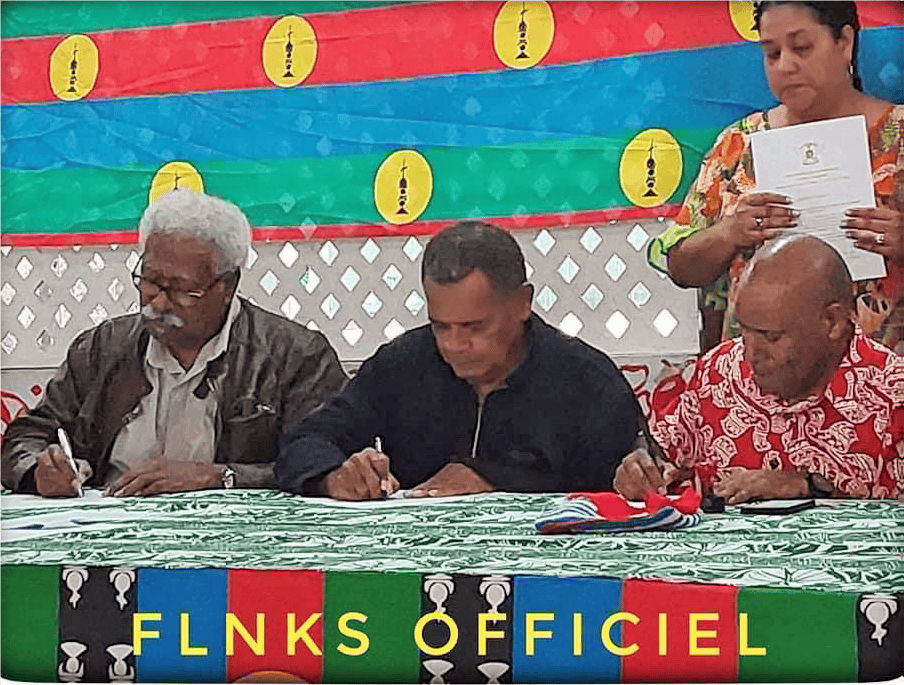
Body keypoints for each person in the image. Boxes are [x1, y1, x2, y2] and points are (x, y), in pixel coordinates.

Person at [0, 190, 347, 497]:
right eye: (150, 280)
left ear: (227, 286)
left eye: (181, 290)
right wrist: (39, 471)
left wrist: (221, 477)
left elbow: (324, 462)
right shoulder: (102, 349)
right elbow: (25, 438)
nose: (159, 302)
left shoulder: (296, 357)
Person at [276, 221, 641, 500]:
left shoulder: (587, 381)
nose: (454, 345)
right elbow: (305, 441)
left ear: (523, 303)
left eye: (475, 327)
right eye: (440, 326)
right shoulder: (402, 364)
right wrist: (334, 476)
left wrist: (493, 480)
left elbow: (613, 488)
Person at [647, 0, 904, 352]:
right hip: (757, 377)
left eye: (802, 47)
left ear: (844, 43)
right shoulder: (740, 142)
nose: (785, 65)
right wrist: (730, 233)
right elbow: (681, 267)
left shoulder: (898, 135)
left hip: (882, 378)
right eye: (772, 53)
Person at [615, 234, 904, 504]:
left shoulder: (892, 395)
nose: (750, 354)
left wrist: (811, 489)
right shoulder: (719, 371)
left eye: (771, 336)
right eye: (744, 331)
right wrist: (641, 471)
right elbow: (664, 458)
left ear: (833, 323)